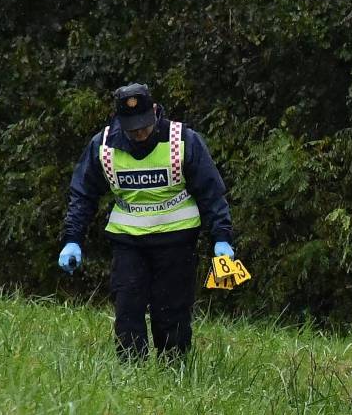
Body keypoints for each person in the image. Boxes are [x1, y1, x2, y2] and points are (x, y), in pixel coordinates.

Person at [58, 83, 236, 361]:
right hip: (128, 242)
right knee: (128, 308)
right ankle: (131, 373)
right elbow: (83, 194)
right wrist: (72, 239)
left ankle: (173, 372)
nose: (139, 134)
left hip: (177, 241)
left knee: (172, 312)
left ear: (155, 112)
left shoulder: (183, 140)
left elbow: (210, 191)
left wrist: (221, 237)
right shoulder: (102, 146)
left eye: (144, 126)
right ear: (119, 120)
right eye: (132, 128)